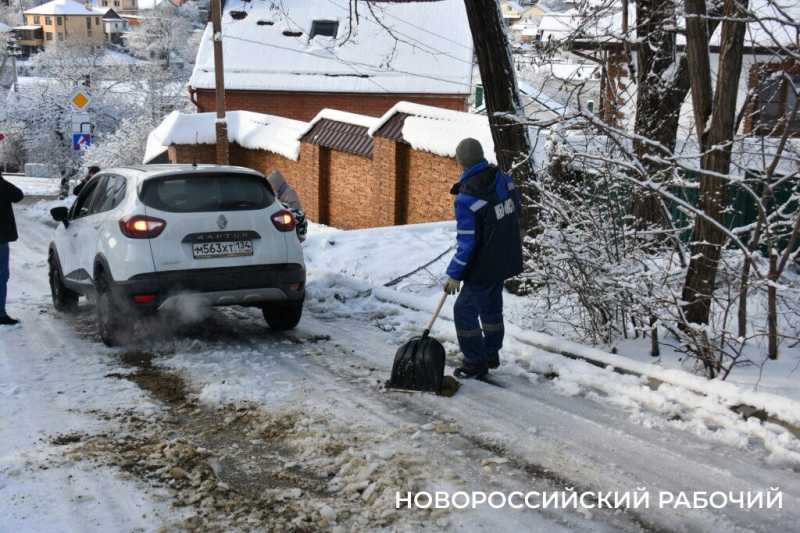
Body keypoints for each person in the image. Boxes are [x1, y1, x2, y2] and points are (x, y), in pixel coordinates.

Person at [444, 138, 523, 379]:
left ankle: (475, 362)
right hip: (505, 256)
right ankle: (490, 353)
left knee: (464, 310)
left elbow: (467, 241)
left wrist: (454, 275)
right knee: (490, 307)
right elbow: (516, 208)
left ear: (461, 163)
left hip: (483, 265)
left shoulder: (467, 197)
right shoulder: (503, 178)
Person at [0, 172, 25, 326]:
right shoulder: (2, 186)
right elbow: (18, 195)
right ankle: (0, 314)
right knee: (1, 276)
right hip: (0, 238)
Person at [267, 170, 307, 242]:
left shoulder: (289, 194)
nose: (272, 189)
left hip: (295, 228)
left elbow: (295, 212)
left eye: (272, 186)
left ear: (276, 184)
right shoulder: (281, 193)